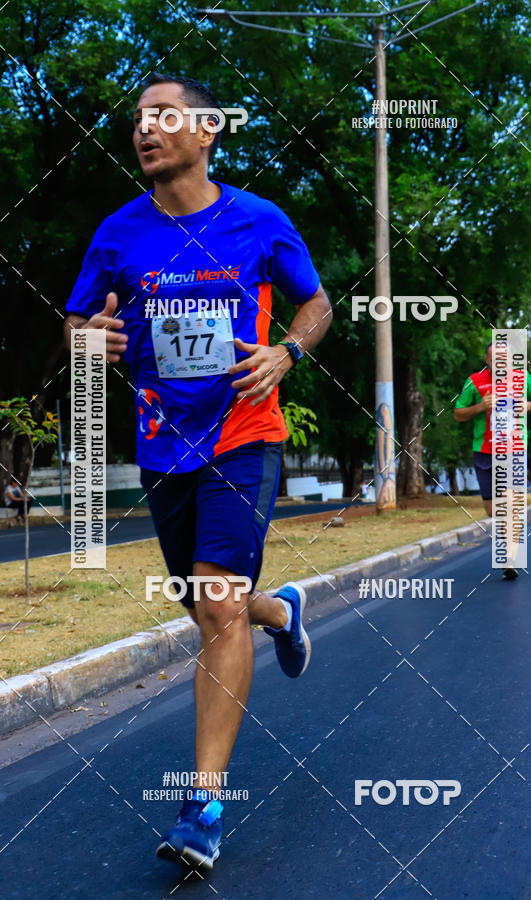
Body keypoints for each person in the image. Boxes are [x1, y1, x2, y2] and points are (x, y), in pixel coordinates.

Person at [63, 72, 332, 870]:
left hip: (245, 435)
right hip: (161, 444)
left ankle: (203, 807)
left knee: (214, 609)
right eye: (138, 119)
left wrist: (287, 351)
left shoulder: (260, 220)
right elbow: (80, 319)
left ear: (208, 129)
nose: (145, 130)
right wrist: (89, 339)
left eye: (164, 116)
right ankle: (280, 613)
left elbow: (316, 304)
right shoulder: (117, 233)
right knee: (211, 605)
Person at [453, 341, 531, 579]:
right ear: (487, 360)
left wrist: (527, 405)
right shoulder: (474, 381)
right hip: (484, 451)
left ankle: (510, 559)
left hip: (513, 450)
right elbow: (457, 413)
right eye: (495, 359)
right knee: (492, 508)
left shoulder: (522, 377)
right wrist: (479, 407)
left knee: (510, 504)